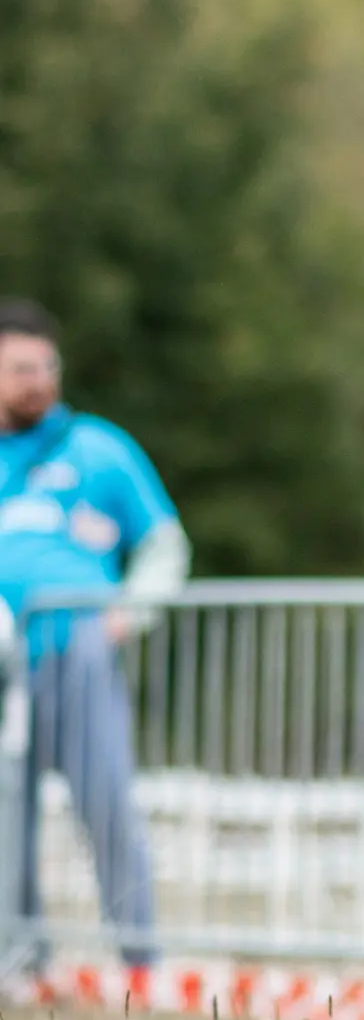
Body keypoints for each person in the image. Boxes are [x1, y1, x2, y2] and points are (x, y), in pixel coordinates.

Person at [0, 298, 189, 968]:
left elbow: (164, 542)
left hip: (76, 652)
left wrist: (130, 613)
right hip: (3, 667)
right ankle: (20, 960)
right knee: (4, 821)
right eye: (20, 368)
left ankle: (141, 961)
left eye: (46, 366)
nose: (37, 380)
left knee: (107, 806)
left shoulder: (97, 449)